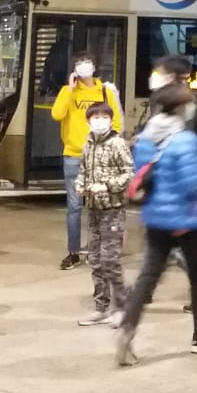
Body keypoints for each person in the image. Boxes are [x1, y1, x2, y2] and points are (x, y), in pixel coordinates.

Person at [116, 82, 197, 365]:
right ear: (180, 108)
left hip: (155, 218)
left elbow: (143, 177)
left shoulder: (146, 138)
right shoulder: (185, 139)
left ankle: (128, 328)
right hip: (186, 219)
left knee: (147, 277)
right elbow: (193, 185)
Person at [51, 50, 123, 270]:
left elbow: (116, 123)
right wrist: (70, 89)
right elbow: (57, 114)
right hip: (74, 155)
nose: (84, 66)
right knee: (74, 207)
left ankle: (95, 250)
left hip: (99, 156)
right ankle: (73, 252)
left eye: (87, 62)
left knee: (98, 205)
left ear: (94, 65)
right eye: (79, 63)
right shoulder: (68, 91)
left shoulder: (105, 91)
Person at [75, 100, 132, 326]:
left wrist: (106, 185)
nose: (100, 122)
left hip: (113, 210)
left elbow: (129, 173)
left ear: (111, 120)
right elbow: (83, 170)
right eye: (95, 118)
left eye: (104, 117)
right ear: (88, 121)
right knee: (95, 260)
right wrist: (80, 184)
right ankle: (101, 308)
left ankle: (121, 308)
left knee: (110, 260)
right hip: (93, 209)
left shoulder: (117, 144)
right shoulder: (88, 144)